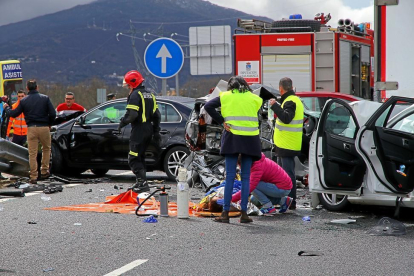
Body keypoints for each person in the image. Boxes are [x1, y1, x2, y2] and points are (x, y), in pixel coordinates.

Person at [204, 76, 263, 223]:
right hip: (250, 139)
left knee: (230, 175)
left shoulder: (225, 96)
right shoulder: (255, 98)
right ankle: (244, 213)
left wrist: (222, 121)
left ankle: (225, 213)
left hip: (232, 137)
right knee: (245, 177)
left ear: (230, 86)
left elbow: (208, 106)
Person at [3, 79, 56, 184]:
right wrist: (49, 124)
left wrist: (7, 108)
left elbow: (13, 114)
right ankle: (45, 170)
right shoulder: (45, 99)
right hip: (44, 127)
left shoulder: (24, 101)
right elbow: (53, 114)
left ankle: (33, 176)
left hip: (31, 128)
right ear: (37, 87)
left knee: (32, 153)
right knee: (46, 149)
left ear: (27, 88)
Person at [118, 70, 161, 193]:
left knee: (133, 157)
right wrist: (156, 131)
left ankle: (142, 183)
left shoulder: (135, 95)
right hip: (149, 129)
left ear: (133, 83)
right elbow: (157, 115)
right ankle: (141, 183)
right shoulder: (150, 95)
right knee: (140, 156)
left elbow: (132, 115)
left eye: (128, 86)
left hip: (139, 130)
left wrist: (122, 122)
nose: (128, 88)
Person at [269, 77, 304, 210]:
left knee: (287, 176)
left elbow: (286, 118)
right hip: (286, 143)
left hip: (287, 145)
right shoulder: (293, 100)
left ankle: (290, 202)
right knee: (282, 175)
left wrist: (274, 106)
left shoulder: (290, 101)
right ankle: (284, 201)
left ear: (281, 88)